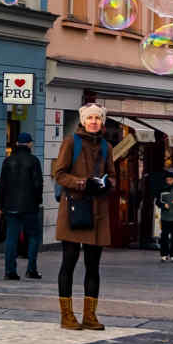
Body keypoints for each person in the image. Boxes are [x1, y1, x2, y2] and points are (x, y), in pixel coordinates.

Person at [51, 105, 114, 330]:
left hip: (97, 211)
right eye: (90, 118)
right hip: (74, 209)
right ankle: (66, 316)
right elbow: (58, 174)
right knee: (69, 261)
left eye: (97, 118)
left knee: (93, 266)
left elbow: (113, 176)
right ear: (83, 120)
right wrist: (82, 183)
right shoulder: (71, 142)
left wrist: (106, 184)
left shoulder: (106, 147)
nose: (94, 121)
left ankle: (90, 316)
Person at [0, 132, 43, 280]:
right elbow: (38, 184)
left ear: (17, 143)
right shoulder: (34, 161)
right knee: (33, 237)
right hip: (30, 205)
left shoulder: (8, 161)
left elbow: (2, 185)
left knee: (11, 238)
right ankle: (31, 269)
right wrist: (38, 201)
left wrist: (1, 205)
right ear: (29, 144)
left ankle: (9, 271)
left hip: (10, 205)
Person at [146, 153, 173, 263]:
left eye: (171, 180)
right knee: (164, 236)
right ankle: (164, 254)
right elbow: (158, 201)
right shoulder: (162, 190)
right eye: (168, 180)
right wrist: (163, 205)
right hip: (166, 216)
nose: (169, 181)